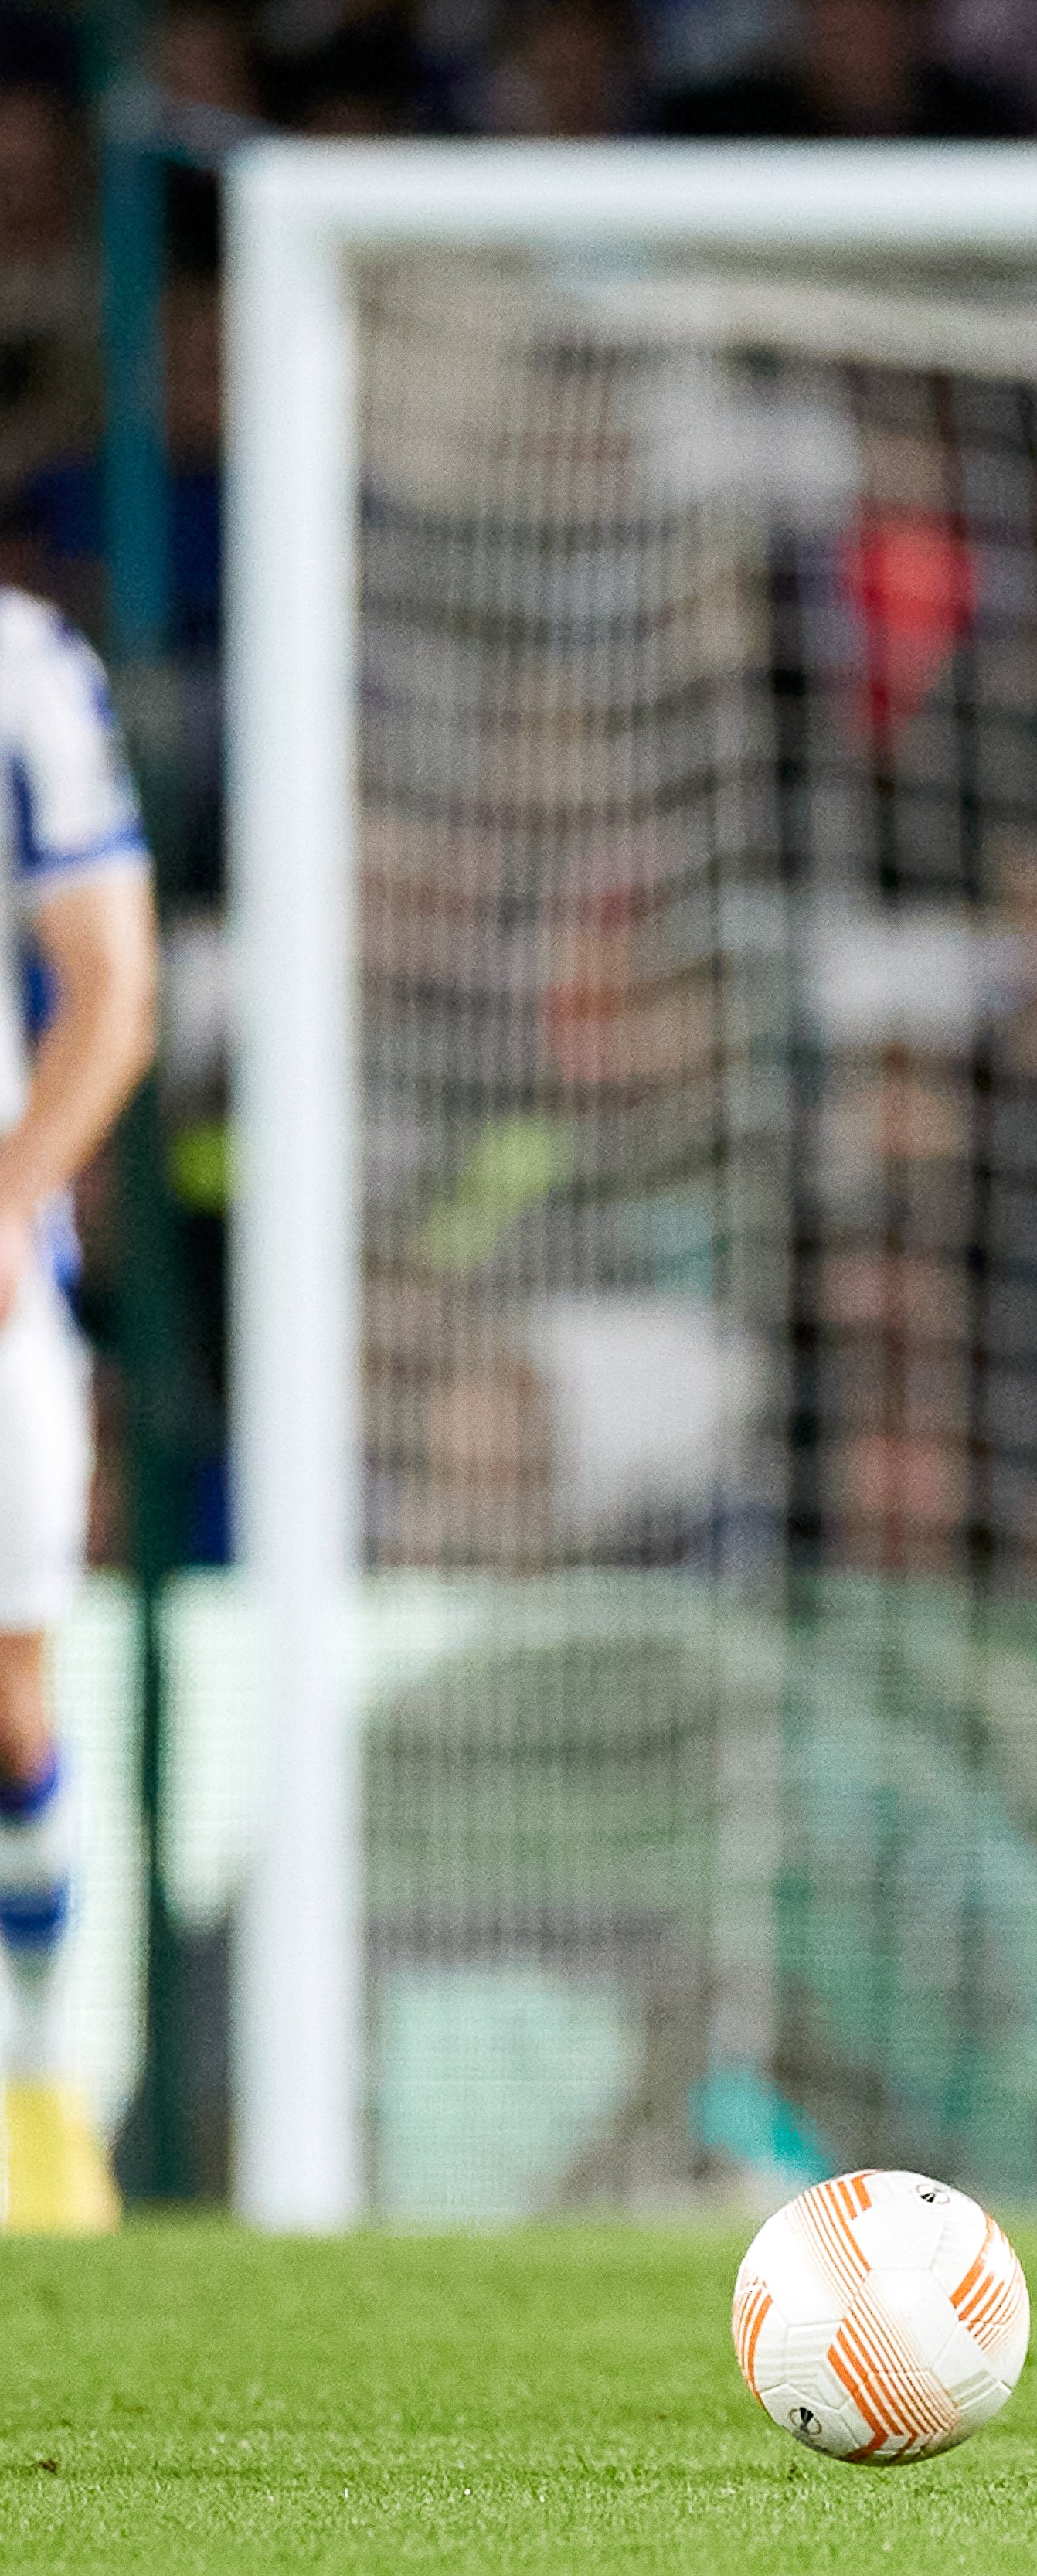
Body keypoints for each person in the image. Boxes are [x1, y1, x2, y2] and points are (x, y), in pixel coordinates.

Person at [0, 587, 155, 2235]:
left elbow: (110, 979)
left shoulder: (26, 669)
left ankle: (41, 2091)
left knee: (9, 1699)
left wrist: (15, 1187)